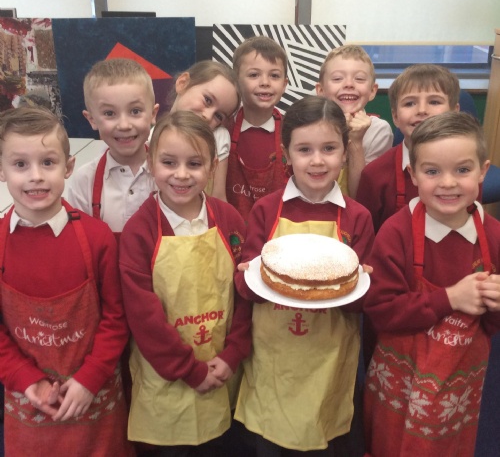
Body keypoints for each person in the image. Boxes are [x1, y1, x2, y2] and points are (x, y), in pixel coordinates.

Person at [234, 95, 374, 455]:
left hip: (328, 356)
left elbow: (361, 302)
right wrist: (247, 277)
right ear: (286, 154)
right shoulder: (266, 210)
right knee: (269, 443)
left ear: (345, 152)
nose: (317, 160)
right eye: (304, 149)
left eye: (329, 148)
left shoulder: (357, 217)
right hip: (274, 356)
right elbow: (246, 285)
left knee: (323, 439)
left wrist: (362, 286)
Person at [363, 112, 500, 457]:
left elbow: (493, 326)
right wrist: (450, 298)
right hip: (402, 378)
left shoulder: (494, 234)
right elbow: (380, 311)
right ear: (413, 174)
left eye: (463, 170)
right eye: (432, 171)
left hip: (460, 380)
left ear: (483, 171)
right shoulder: (396, 232)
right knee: (389, 444)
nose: (448, 183)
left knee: (449, 444)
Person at [0, 106, 132, 456]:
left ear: (68, 167)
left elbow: (117, 318)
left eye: (48, 162)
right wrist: (26, 379)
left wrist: (90, 378)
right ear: (1, 170)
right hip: (29, 404)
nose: (36, 177)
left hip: (96, 400)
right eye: (20, 164)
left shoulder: (97, 237)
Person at [119, 111, 252, 455]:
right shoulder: (139, 231)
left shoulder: (229, 219)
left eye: (194, 163)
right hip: (167, 378)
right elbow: (143, 316)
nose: (181, 174)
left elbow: (246, 294)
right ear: (150, 161)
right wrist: (188, 370)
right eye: (168, 162)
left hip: (224, 370)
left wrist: (233, 353)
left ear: (212, 167)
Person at [356, 64, 460, 233]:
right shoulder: (374, 175)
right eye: (410, 103)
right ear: (395, 117)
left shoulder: (467, 170)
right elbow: (366, 236)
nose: (422, 110)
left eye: (434, 102)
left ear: (455, 112)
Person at [68, 57, 160, 236]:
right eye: (110, 113)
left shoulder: (171, 173)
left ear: (153, 114)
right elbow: (79, 239)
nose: (124, 125)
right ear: (92, 119)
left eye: (135, 111)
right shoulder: (84, 181)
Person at [316, 45, 392, 198]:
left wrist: (356, 141)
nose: (349, 84)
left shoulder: (379, 130)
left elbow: (361, 196)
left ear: (372, 91)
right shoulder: (310, 127)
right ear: (321, 90)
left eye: (359, 79)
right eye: (337, 78)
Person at [226, 36, 290, 218]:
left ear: (284, 85)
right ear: (236, 82)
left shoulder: (292, 131)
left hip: (279, 225)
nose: (265, 82)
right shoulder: (223, 129)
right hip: (233, 226)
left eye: (274, 76)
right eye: (254, 75)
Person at [167, 60, 241, 201]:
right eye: (207, 100)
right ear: (182, 83)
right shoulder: (153, 137)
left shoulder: (217, 138)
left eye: (218, 116)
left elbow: (219, 197)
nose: (207, 116)